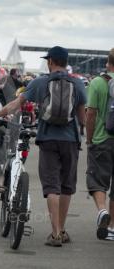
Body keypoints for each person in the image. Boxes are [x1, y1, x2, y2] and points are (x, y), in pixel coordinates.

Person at [0, 46, 86, 247]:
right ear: (65, 62)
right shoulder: (78, 83)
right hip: (71, 141)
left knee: (52, 187)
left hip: (48, 139)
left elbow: (15, 104)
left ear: (50, 62)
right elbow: (82, 117)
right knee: (66, 187)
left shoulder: (40, 82)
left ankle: (55, 233)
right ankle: (61, 230)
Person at [86, 47, 114, 241]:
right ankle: (112, 227)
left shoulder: (97, 82)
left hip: (102, 139)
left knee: (97, 180)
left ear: (108, 62)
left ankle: (102, 211)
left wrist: (89, 138)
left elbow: (91, 114)